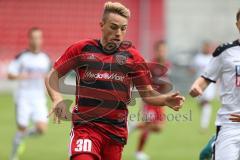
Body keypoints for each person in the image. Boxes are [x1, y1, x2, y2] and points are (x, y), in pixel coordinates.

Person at [45, 2, 185, 160]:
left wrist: (165, 99)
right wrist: (57, 99)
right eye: (113, 27)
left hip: (115, 133)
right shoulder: (82, 49)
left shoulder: (133, 57)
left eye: (123, 28)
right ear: (102, 25)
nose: (118, 33)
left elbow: (147, 94)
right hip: (86, 128)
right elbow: (53, 75)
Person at [190, 9, 240, 160]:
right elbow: (206, 77)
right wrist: (197, 86)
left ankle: (213, 145)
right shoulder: (225, 51)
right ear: (237, 24)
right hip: (230, 122)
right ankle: (216, 144)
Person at [8, 27, 51, 160]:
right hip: (23, 96)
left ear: (41, 39)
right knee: (22, 126)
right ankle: (13, 156)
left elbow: (49, 78)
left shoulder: (45, 58)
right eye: (33, 37)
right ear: (29, 39)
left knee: (42, 129)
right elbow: (10, 74)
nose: (36, 40)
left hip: (39, 98)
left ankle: (22, 137)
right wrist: (21, 75)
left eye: (38, 37)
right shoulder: (22, 57)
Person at [129, 40, 172, 160]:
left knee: (159, 128)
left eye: (164, 50)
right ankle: (138, 152)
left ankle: (134, 126)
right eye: (160, 50)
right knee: (150, 125)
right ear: (156, 51)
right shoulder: (150, 65)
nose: (162, 52)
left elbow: (165, 83)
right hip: (149, 100)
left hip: (160, 100)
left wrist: (166, 97)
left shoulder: (167, 65)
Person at [190, 41, 216, 132]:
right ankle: (204, 121)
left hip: (209, 84)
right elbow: (192, 69)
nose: (206, 48)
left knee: (206, 102)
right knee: (201, 104)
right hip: (199, 84)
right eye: (205, 47)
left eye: (208, 47)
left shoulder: (213, 58)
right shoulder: (198, 58)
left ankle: (204, 126)